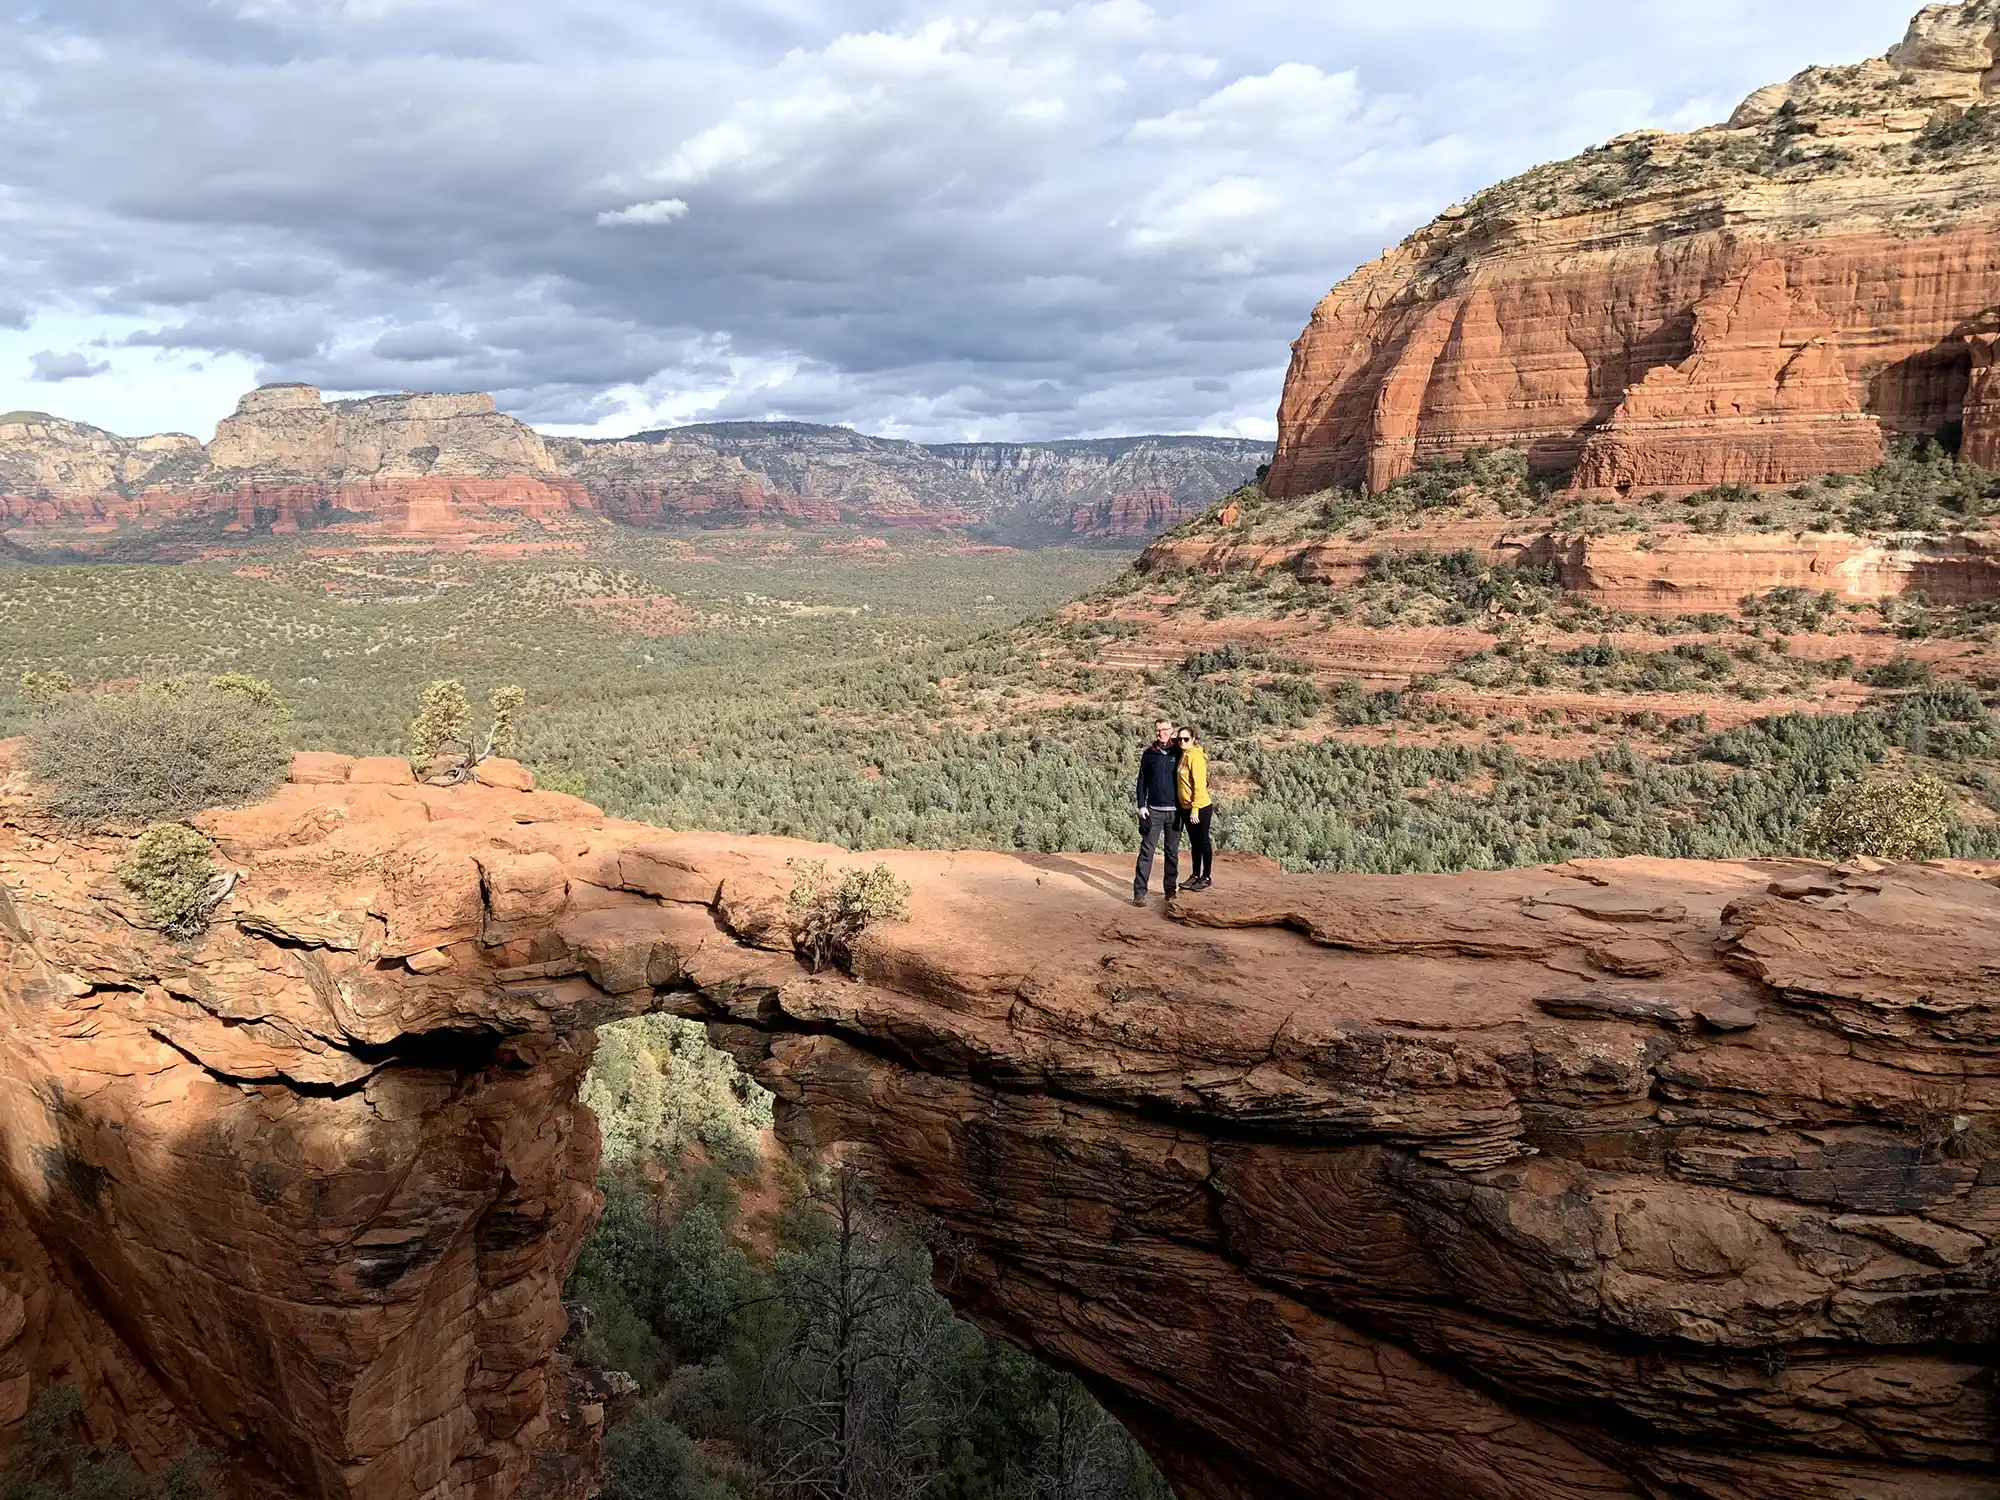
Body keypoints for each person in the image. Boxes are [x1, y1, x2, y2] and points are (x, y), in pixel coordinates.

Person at [1132, 717, 1182, 905]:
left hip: (1176, 811)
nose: (1162, 733)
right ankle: (1139, 892)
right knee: (1147, 851)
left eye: (1165, 729)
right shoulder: (1149, 754)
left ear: (1172, 730)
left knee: (1172, 852)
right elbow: (1141, 782)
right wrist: (1141, 806)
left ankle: (1170, 890)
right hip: (1153, 811)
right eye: (1158, 730)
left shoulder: (1179, 752)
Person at [1176, 726, 1214, 891]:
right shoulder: (1183, 754)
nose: (1182, 742)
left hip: (1200, 807)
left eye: (1185, 739)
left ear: (1193, 739)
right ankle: (1195, 875)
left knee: (1203, 841)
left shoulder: (1195, 756)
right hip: (1186, 806)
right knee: (1194, 843)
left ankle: (1206, 876)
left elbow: (1199, 785)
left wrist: (1195, 808)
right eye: (1179, 739)